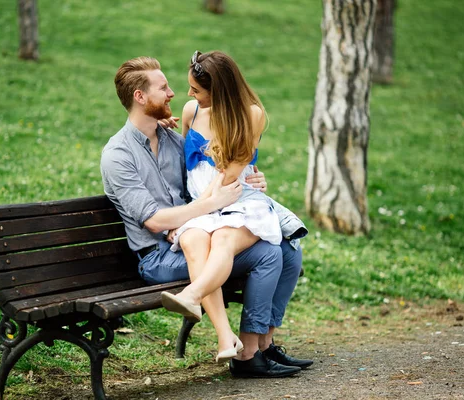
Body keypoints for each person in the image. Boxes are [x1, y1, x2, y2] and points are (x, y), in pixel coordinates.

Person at [101, 56, 312, 378]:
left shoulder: (172, 139)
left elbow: (212, 169)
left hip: (196, 231)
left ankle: (261, 346)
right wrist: (212, 203)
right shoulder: (119, 155)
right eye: (163, 88)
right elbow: (156, 222)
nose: (173, 93)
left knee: (288, 250)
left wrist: (249, 176)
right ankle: (245, 353)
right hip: (157, 255)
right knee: (269, 254)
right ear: (140, 97)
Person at [160, 50, 286, 365]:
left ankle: (191, 296)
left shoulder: (252, 114)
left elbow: (232, 174)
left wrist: (199, 210)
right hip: (204, 205)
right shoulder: (191, 111)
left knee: (223, 241)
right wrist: (161, 125)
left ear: (221, 90)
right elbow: (182, 160)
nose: (189, 94)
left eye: (197, 89)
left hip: (235, 201)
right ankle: (224, 338)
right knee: (192, 241)